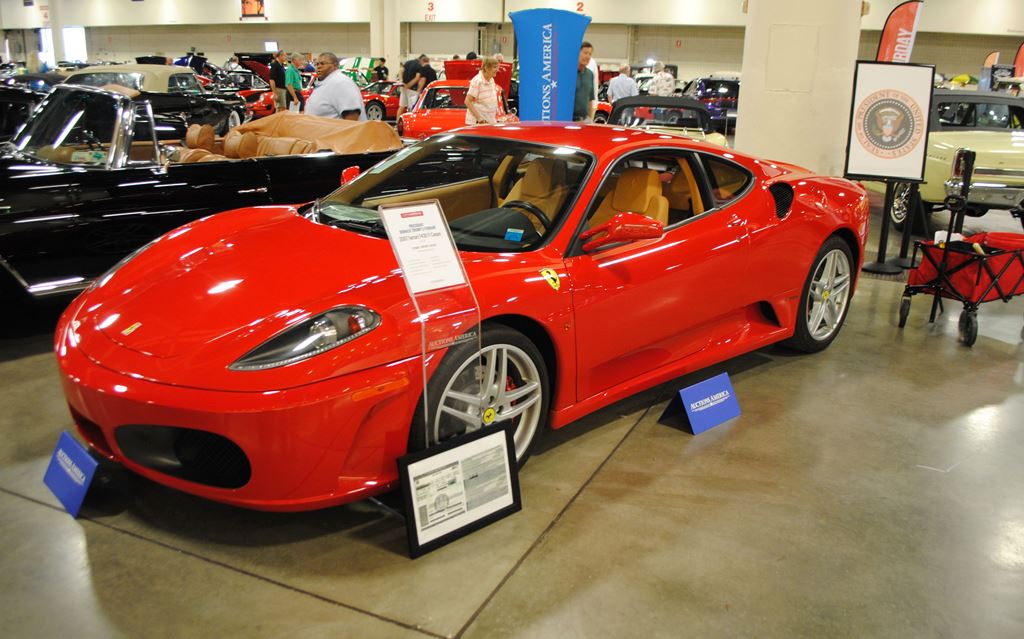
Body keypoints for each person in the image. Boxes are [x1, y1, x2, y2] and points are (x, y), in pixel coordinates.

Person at [305, 52, 366, 120]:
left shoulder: (341, 82)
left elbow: (352, 117)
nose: (318, 66)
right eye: (317, 64)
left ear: (335, 65)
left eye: (322, 63)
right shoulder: (326, 82)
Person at [465, 56, 500, 125]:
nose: (497, 69)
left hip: (489, 122)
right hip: (477, 123)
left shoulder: (491, 80)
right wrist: (479, 118)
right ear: (486, 68)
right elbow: (467, 101)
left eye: (497, 67)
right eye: (494, 67)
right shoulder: (477, 81)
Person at [573, 41, 595, 122]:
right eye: (585, 53)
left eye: (590, 54)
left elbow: (590, 99)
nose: (588, 56)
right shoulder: (568, 73)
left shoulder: (590, 74)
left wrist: (590, 117)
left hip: (585, 120)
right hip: (569, 120)